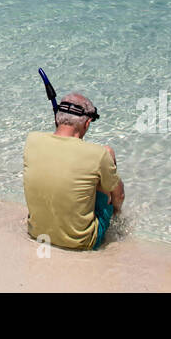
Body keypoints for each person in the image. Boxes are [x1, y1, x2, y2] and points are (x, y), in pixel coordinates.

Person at [23, 92, 125, 250]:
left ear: (58, 118)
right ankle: (114, 221)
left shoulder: (32, 140)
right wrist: (115, 210)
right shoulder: (99, 154)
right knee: (107, 157)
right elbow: (119, 196)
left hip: (37, 234)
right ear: (87, 123)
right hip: (81, 242)